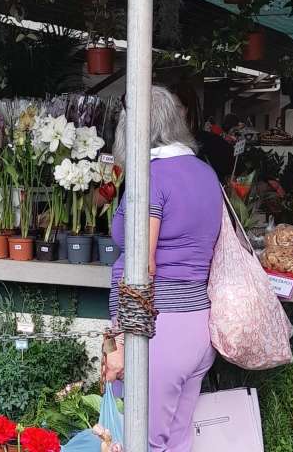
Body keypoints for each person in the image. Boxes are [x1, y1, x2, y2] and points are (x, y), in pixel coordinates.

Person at [106, 85, 223, 452]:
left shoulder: (150, 179)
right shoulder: (205, 173)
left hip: (158, 329)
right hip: (197, 326)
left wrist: (123, 342)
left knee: (141, 441)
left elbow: (144, 267)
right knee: (176, 440)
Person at [170, 80, 235, 178]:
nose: (171, 114)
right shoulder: (155, 146)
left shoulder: (214, 145)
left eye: (177, 108)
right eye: (167, 109)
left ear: (190, 110)